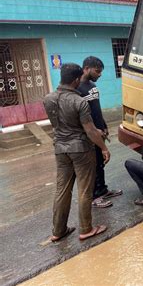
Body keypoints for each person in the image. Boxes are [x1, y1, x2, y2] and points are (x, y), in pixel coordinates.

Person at [43, 63, 110, 242]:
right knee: (84, 190)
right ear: (75, 80)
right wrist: (103, 147)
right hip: (81, 149)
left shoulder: (48, 99)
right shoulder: (79, 102)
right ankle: (86, 229)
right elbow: (90, 131)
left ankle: (58, 231)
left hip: (60, 149)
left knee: (62, 190)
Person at [78, 56, 122, 208]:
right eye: (97, 71)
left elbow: (96, 107)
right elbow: (80, 116)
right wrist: (93, 130)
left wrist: (104, 124)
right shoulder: (77, 88)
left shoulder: (91, 85)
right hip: (89, 133)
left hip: (99, 129)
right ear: (86, 69)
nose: (100, 74)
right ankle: (95, 196)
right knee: (94, 164)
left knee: (101, 163)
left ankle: (102, 190)